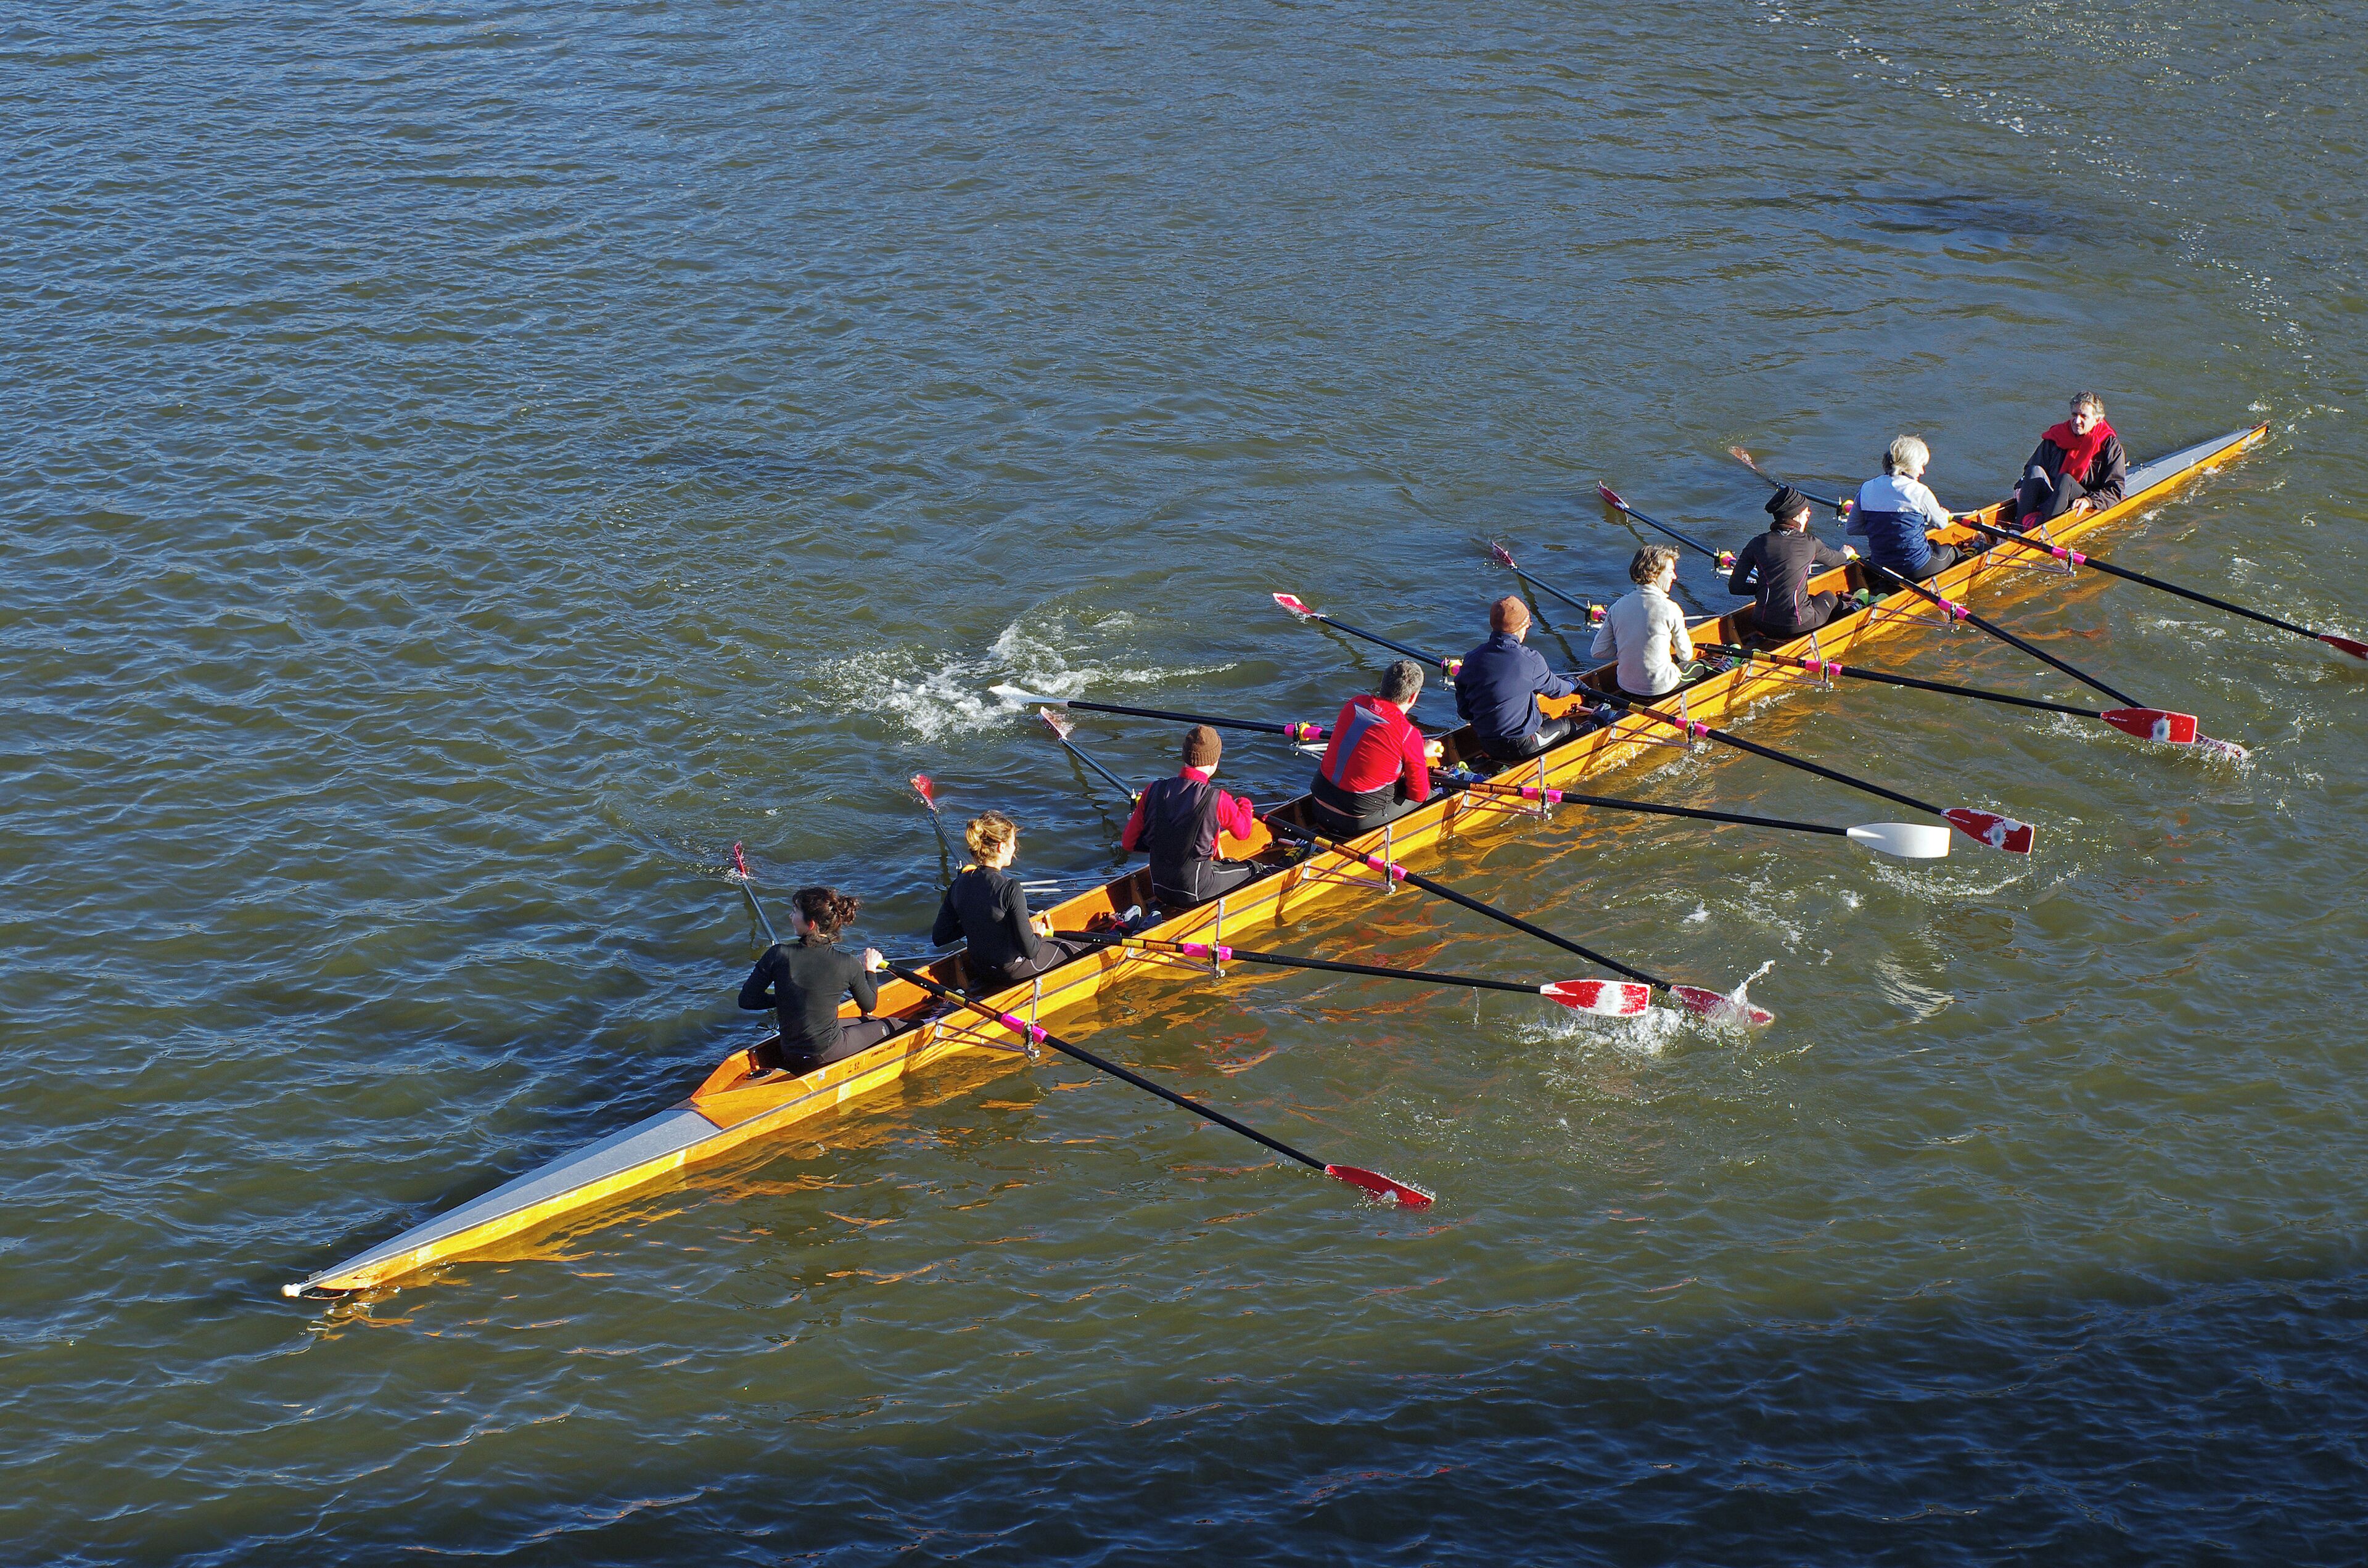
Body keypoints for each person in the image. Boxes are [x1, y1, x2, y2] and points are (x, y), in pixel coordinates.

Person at [738, 886, 895, 1076]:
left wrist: (788, 999)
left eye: (795, 912)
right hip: (823, 1053)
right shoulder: (848, 964)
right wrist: (870, 969)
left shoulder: (777, 954)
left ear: (810, 924)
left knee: (868, 1020)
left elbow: (747, 1000)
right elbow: (870, 1003)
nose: (790, 916)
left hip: (790, 1052)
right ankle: (927, 1022)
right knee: (892, 1025)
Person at [931, 810, 1089, 991]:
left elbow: (940, 936)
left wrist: (975, 918)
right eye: (1013, 843)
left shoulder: (959, 884)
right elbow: (1031, 950)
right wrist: (1038, 933)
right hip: (1012, 971)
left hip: (980, 969)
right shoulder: (1010, 888)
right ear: (1001, 847)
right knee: (1084, 945)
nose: (1015, 848)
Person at [1120, 724, 1262, 910]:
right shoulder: (1218, 799)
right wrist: (1245, 804)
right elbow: (1244, 832)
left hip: (1160, 889)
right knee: (1254, 869)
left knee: (1225, 865)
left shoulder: (1153, 789)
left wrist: (1167, 843)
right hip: (1195, 892)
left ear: (1185, 757)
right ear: (1215, 761)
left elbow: (1128, 843)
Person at [1307, 659, 1442, 837]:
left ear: (1382, 684)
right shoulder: (1409, 734)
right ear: (1413, 698)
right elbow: (1418, 794)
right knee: (1433, 797)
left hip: (1317, 806)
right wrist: (1418, 754)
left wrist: (1419, 752)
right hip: (1357, 822)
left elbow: (1369, 749)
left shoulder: (1354, 705)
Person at [1455, 596, 1580, 763]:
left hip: (1485, 742)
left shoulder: (1472, 658)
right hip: (1520, 746)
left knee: (1545, 718)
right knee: (1567, 726)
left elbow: (1465, 712)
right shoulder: (1530, 660)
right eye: (1528, 626)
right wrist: (1574, 683)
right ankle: (1594, 729)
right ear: (1520, 627)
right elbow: (1558, 691)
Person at [1729, 486, 1854, 638]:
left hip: (1760, 623)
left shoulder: (1756, 544)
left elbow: (1735, 587)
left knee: (1811, 599)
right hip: (1799, 625)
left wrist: (1766, 588)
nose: (1809, 513)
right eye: (1806, 511)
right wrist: (1846, 553)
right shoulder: (1810, 543)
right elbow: (1835, 561)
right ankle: (1853, 612)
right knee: (1829, 596)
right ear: (1796, 516)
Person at [1849, 434, 1962, 582]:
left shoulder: (1866, 488)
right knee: (1952, 551)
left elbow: (1852, 529)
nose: (1923, 471)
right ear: (1908, 465)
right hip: (1916, 569)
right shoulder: (1920, 491)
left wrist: (1883, 528)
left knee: (1933, 544)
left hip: (1880, 566)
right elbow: (1941, 524)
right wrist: (1942, 513)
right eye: (1921, 465)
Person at [1592, 545, 1697, 700]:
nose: (1674, 577)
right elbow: (1686, 655)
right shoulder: (1671, 609)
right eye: (1670, 572)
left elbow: (1598, 651)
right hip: (1661, 688)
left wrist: (1628, 648)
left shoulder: (1617, 607)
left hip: (1625, 686)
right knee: (1700, 666)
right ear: (1654, 574)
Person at [2014, 391, 2127, 529]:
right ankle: (2017, 529)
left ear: (2097, 420)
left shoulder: (2111, 446)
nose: (2077, 421)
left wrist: (2089, 501)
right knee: (2034, 470)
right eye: (2074, 415)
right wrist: (2021, 486)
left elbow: (2115, 490)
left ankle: (2043, 531)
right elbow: (2033, 467)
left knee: (2065, 480)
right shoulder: (2057, 436)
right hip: (2052, 496)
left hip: (2079, 499)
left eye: (2084, 416)